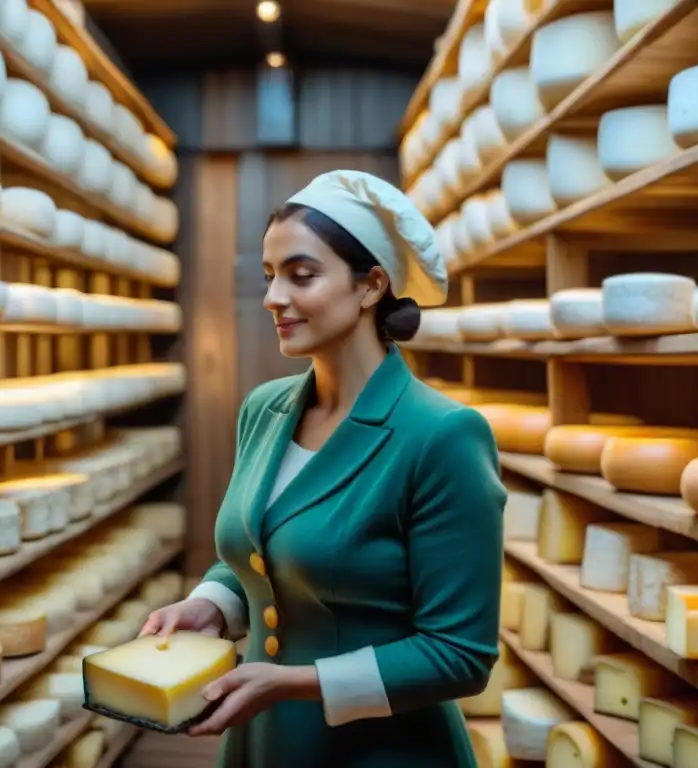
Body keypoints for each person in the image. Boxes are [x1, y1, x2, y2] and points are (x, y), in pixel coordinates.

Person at [139, 169, 507, 767]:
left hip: (381, 753)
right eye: (268, 276)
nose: (272, 297)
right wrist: (214, 602)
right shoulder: (265, 410)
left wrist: (291, 683)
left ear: (371, 287)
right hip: (263, 744)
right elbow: (271, 550)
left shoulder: (441, 436)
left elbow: (459, 654)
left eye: (300, 275)